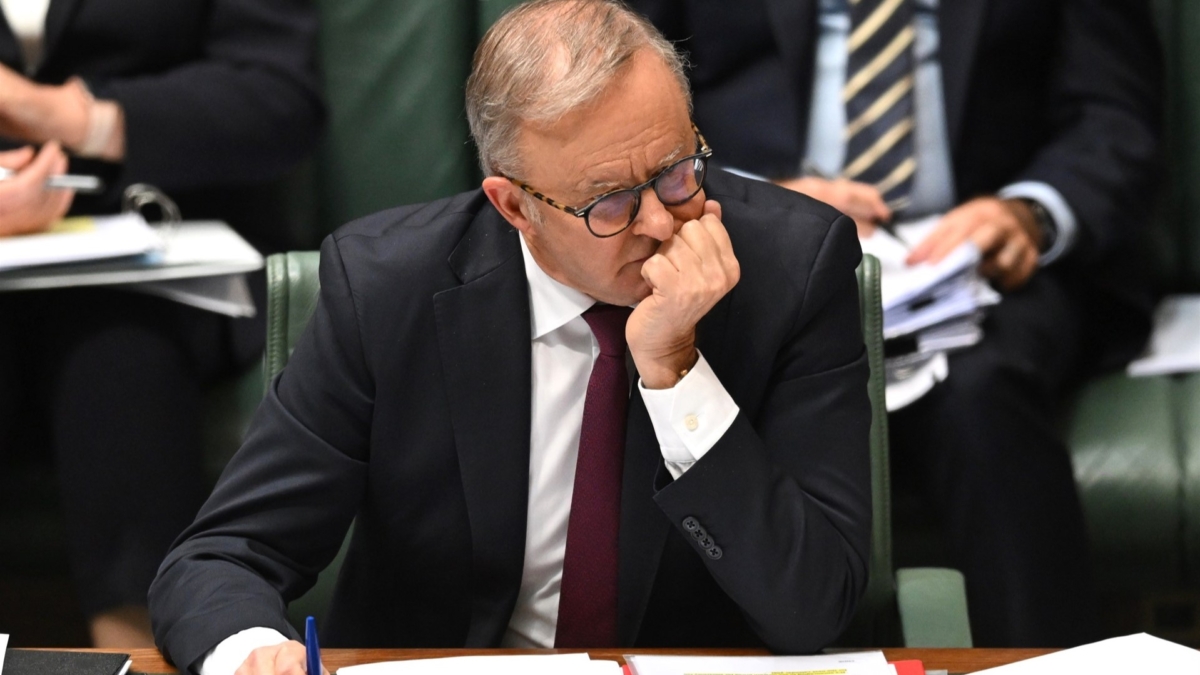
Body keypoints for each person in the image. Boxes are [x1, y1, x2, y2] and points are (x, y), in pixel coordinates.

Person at [148, 1, 873, 672]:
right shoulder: (386, 288)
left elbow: (810, 608)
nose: (660, 221)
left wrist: (676, 372)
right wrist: (249, 653)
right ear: (514, 206)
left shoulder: (792, 270)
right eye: (611, 202)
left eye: (677, 171)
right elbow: (223, 557)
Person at [629, 0, 1163, 647]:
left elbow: (1113, 114)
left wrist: (1032, 211)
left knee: (983, 390)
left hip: (982, 262)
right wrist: (755, 197)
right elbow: (623, 78)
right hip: (738, 235)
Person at [0, 0, 323, 647]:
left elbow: (278, 99)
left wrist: (70, 116)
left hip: (166, 246)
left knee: (116, 354)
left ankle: (137, 648)